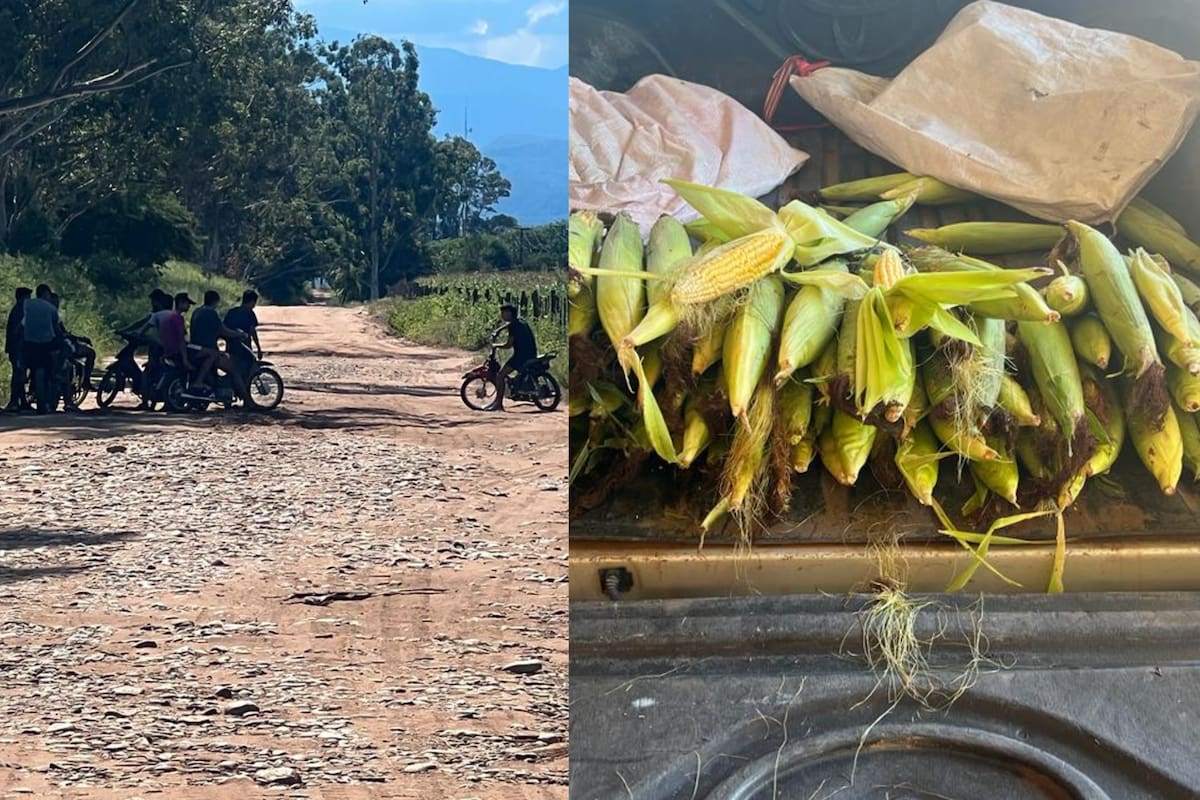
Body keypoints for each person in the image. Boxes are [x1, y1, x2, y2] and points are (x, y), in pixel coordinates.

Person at [189, 289, 249, 401]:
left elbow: (209, 330)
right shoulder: (211, 313)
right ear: (216, 302)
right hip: (208, 349)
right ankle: (247, 400)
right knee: (234, 369)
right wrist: (238, 334)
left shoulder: (197, 311)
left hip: (196, 348)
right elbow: (222, 330)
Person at [21, 284, 61, 414]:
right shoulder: (51, 308)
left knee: (29, 368)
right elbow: (56, 327)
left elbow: (22, 323)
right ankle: (54, 378)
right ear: (46, 294)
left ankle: (29, 391)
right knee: (51, 369)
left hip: (29, 343)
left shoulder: (27, 304)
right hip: (46, 343)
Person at [490, 303, 537, 412]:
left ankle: (498, 403)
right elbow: (508, 325)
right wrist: (499, 330)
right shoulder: (521, 321)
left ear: (509, 313)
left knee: (500, 376)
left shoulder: (513, 326)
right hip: (531, 353)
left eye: (504, 313)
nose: (502, 315)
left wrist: (496, 346)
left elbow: (508, 345)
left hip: (520, 356)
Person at [4, 287, 32, 412]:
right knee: (18, 374)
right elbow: (16, 330)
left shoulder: (20, 310)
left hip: (18, 347)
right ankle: (14, 401)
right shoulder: (19, 311)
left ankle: (22, 401)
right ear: (22, 297)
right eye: (28, 297)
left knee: (20, 374)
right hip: (17, 348)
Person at [160, 292, 195, 381]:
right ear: (180, 303)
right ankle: (199, 381)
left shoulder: (168, 316)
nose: (189, 307)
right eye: (187, 304)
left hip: (167, 349)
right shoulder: (178, 318)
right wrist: (185, 360)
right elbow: (181, 339)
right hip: (176, 350)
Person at [223, 290, 262, 359]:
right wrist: (258, 348)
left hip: (231, 346)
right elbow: (253, 331)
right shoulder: (250, 314)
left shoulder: (232, 312)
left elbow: (224, 328)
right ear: (252, 301)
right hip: (245, 346)